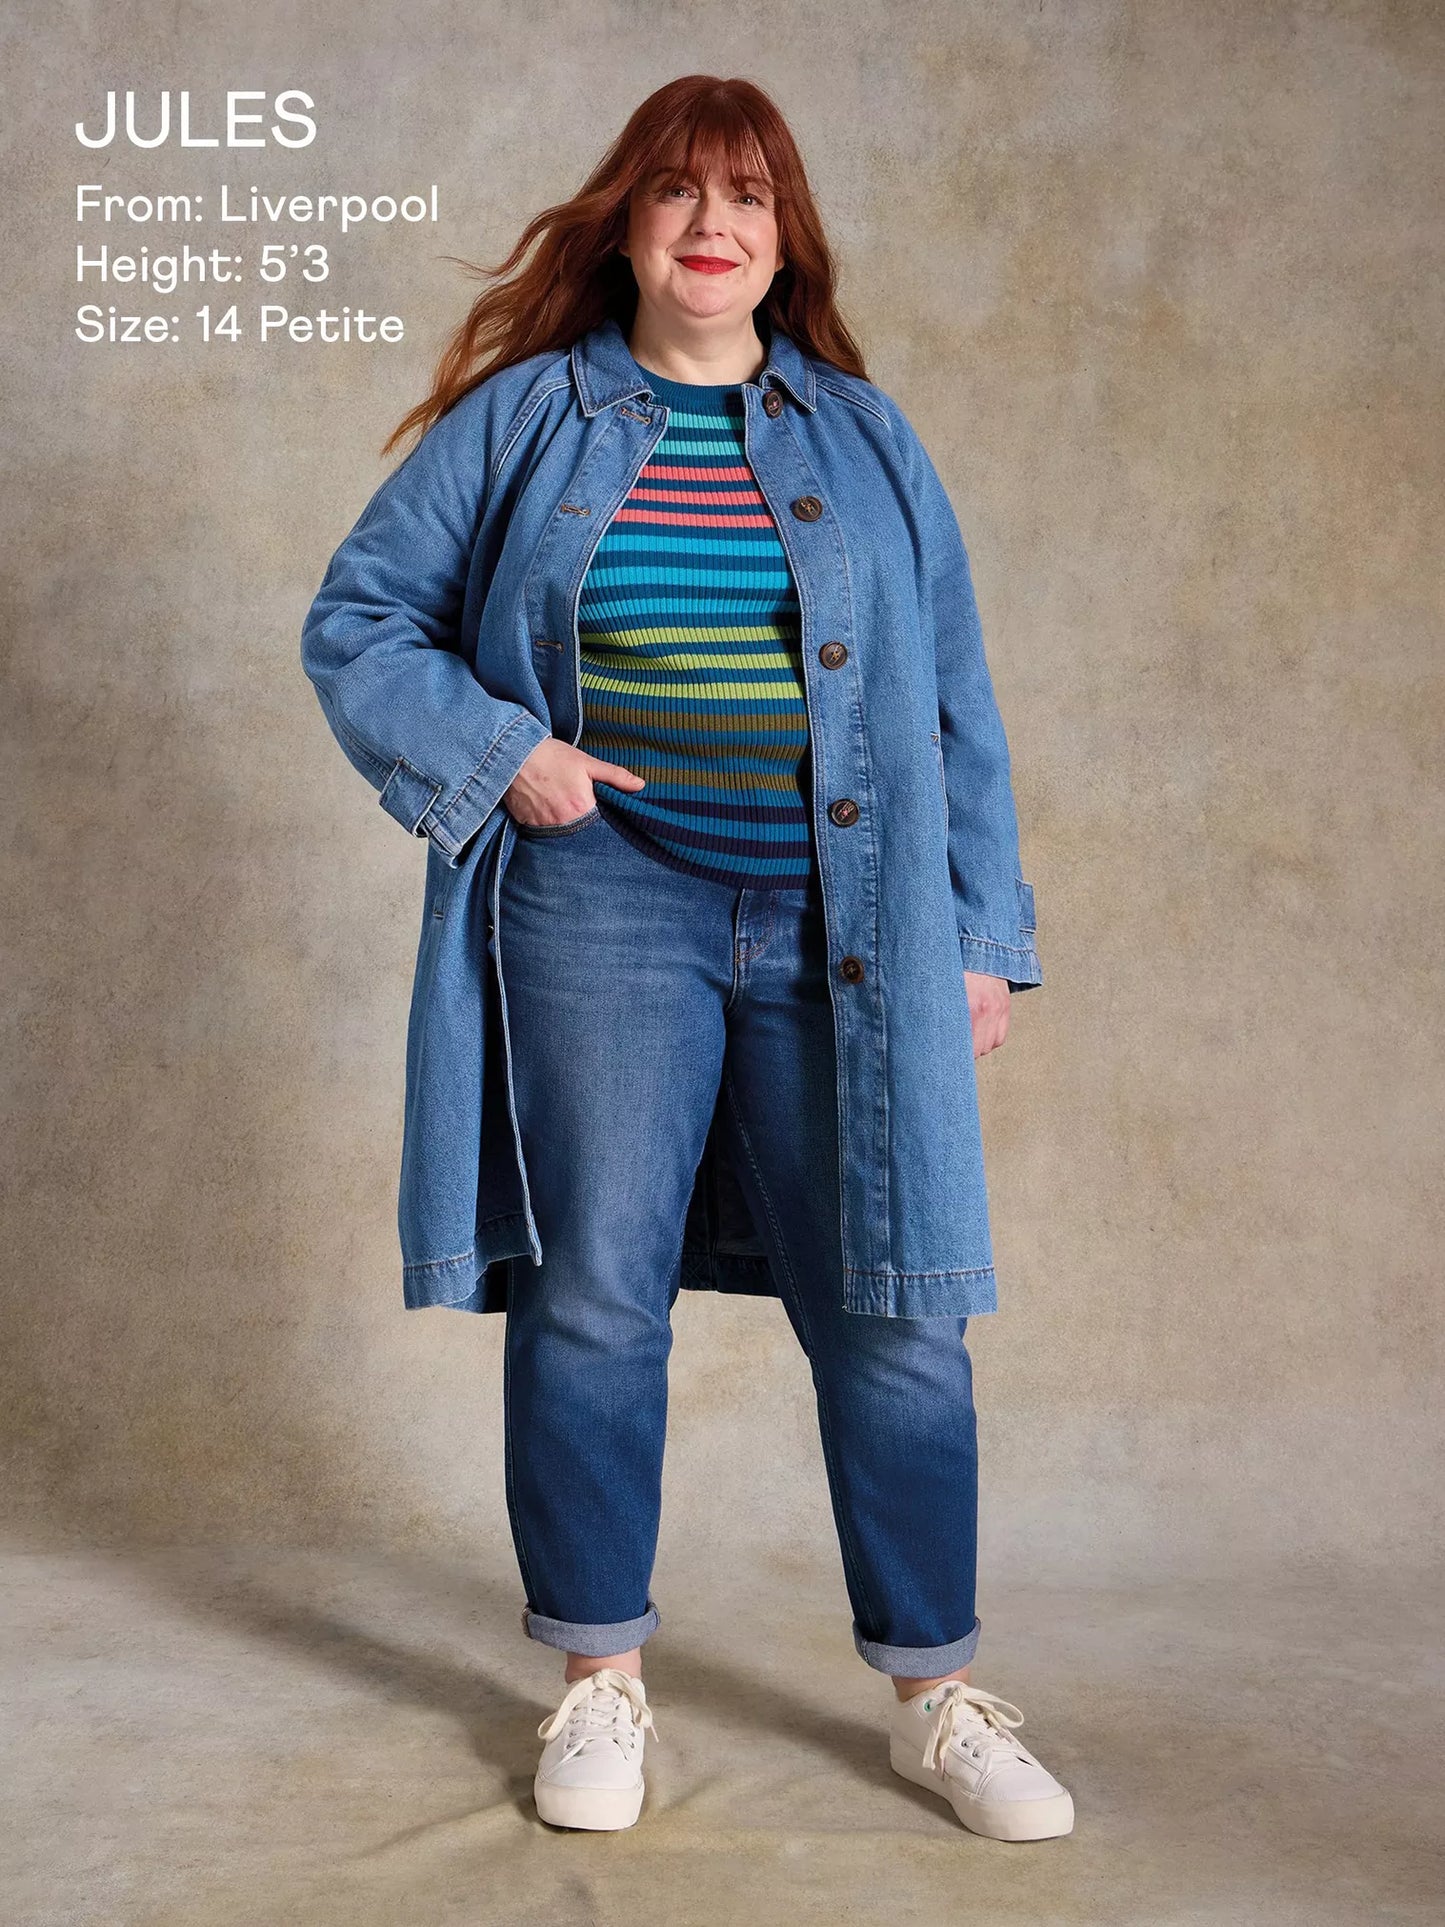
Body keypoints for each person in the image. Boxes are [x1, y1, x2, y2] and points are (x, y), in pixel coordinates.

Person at [300, 74, 1072, 1841]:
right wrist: (505, 758)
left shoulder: (865, 440)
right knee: (593, 1297)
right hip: (602, 908)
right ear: (626, 227)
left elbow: (951, 700)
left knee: (895, 1311)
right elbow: (358, 619)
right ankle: (599, 1688)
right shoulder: (526, 422)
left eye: (746, 198)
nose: (710, 226)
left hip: (846, 928)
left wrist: (978, 935)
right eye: (675, 196)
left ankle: (935, 1697)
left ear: (781, 238)